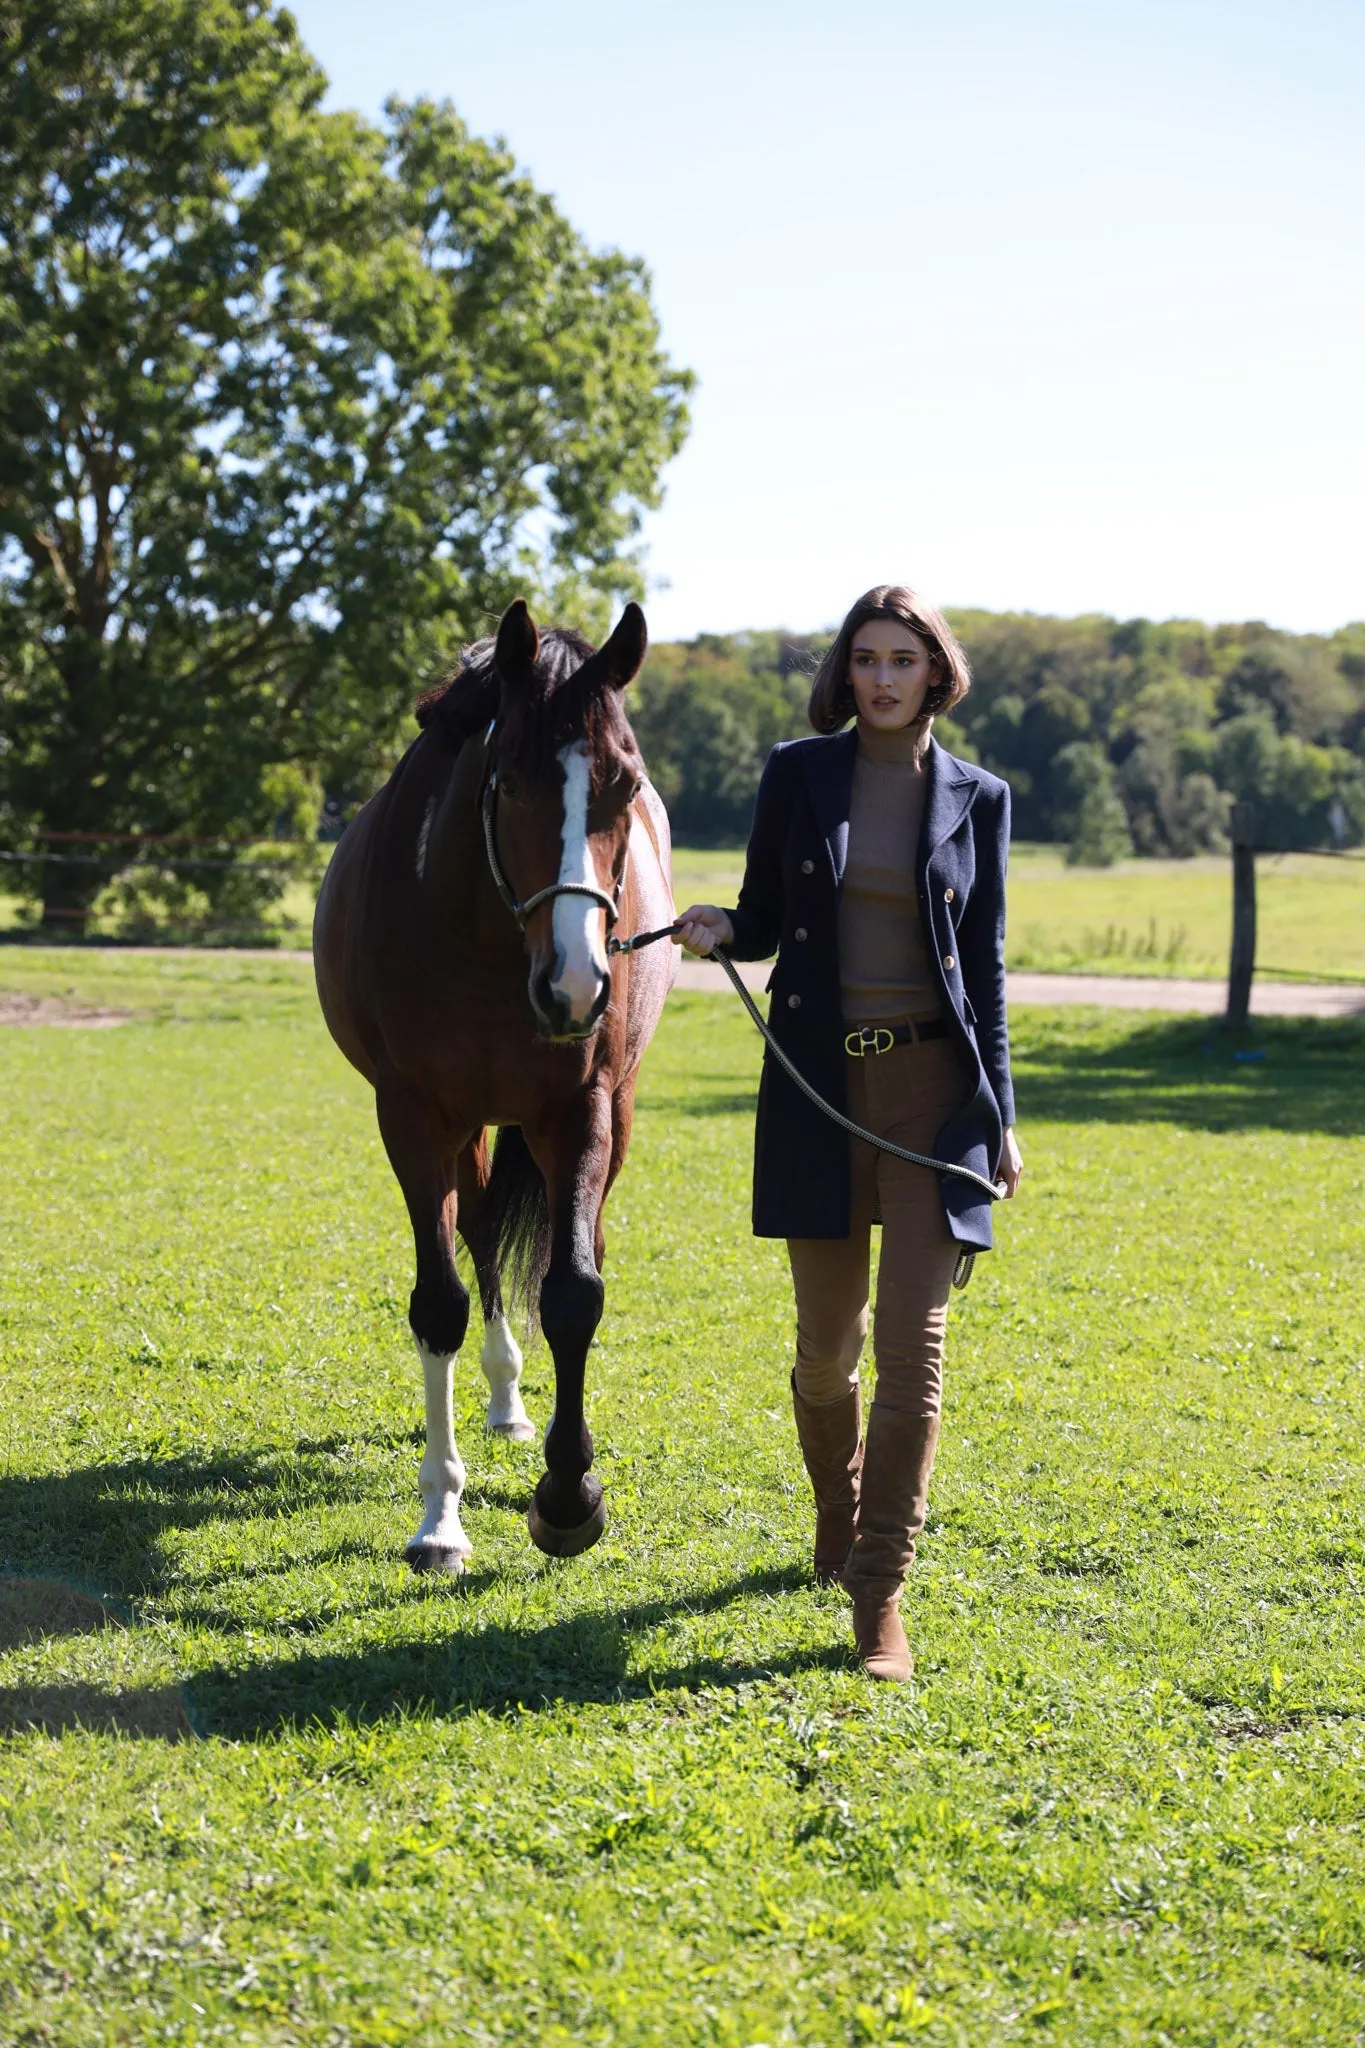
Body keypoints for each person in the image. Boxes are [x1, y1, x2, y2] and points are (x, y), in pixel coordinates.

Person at [675, 585, 1023, 1683]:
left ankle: (880, 1596)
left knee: (914, 1362)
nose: (881, 677)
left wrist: (1001, 1113)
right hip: (820, 1092)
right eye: (865, 657)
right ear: (846, 671)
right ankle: (837, 1505)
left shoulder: (980, 796)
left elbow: (990, 968)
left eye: (902, 659)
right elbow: (766, 919)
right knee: (828, 1355)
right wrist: (724, 927)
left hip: (935, 1100)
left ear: (936, 671)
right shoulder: (799, 774)